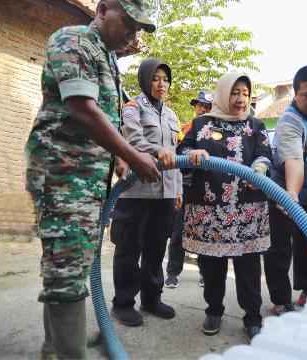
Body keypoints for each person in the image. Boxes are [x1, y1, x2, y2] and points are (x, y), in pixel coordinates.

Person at [24, 1, 160, 358]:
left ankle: (59, 342)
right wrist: (133, 156)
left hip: (85, 178)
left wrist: (116, 155)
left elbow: (105, 118)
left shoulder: (108, 57)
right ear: (102, 10)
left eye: (139, 29)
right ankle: (68, 352)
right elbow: (83, 108)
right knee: (66, 264)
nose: (133, 34)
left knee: (74, 260)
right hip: (62, 174)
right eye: (129, 22)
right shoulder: (74, 41)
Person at [178, 72, 273, 342]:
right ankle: (214, 310)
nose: (241, 98)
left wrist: (260, 166)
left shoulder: (256, 125)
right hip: (209, 211)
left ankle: (252, 317)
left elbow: (266, 154)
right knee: (211, 266)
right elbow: (182, 151)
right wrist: (191, 155)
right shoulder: (200, 124)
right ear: (223, 93)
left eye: (245, 93)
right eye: (235, 92)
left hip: (248, 211)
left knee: (249, 268)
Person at [109, 58, 183, 327]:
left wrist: (177, 189)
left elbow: (176, 155)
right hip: (137, 191)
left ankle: (152, 299)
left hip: (164, 193)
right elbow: (132, 139)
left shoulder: (173, 115)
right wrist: (155, 150)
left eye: (165, 79)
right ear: (145, 80)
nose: (161, 84)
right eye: (156, 78)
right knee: (130, 248)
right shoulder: (133, 108)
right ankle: (123, 303)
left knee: (155, 248)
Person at [264, 65, 307, 313]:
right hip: (284, 191)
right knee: (280, 247)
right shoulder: (289, 122)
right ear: (296, 95)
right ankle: (281, 299)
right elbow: (293, 161)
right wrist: (291, 195)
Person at [165, 91, 214, 289]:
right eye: (200, 105)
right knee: (178, 232)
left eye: (208, 106)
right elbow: (177, 161)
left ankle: (205, 272)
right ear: (195, 107)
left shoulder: (215, 131)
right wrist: (176, 188)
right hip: (185, 185)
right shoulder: (185, 129)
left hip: (207, 187)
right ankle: (173, 273)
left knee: (204, 231)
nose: (203, 109)